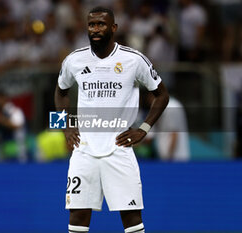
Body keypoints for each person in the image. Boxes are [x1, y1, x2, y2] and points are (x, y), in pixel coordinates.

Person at [54, 6, 169, 233]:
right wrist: (66, 127)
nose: (95, 29)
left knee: (132, 217)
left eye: (101, 24)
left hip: (119, 148)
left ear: (113, 28)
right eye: (91, 24)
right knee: (77, 215)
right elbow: (60, 91)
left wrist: (143, 128)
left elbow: (162, 95)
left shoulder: (133, 60)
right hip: (84, 149)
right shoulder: (74, 60)